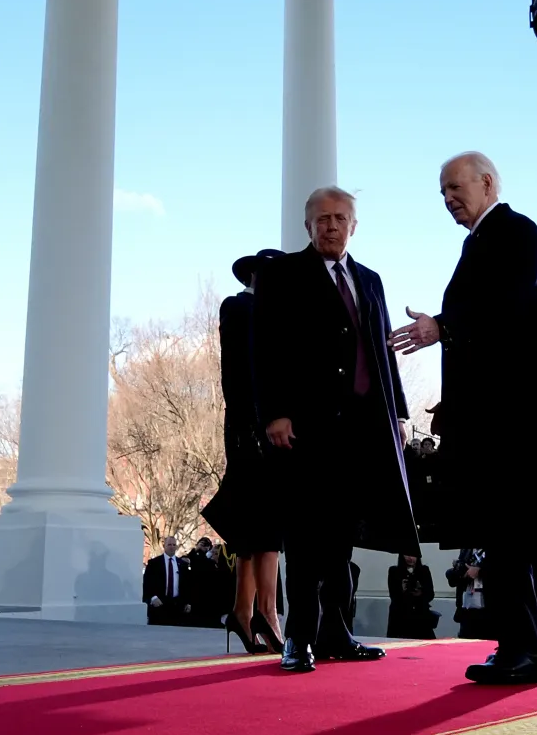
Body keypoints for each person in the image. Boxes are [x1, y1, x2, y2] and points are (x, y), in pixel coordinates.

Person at [390, 152, 537, 685]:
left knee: (510, 534)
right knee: (508, 535)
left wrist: (440, 326)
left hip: (509, 420)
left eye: (454, 187)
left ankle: (525, 648)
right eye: (441, 192)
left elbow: (505, 309)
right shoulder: (482, 241)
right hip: (493, 414)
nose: (448, 199)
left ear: (488, 182)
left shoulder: (514, 231)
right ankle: (530, 645)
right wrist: (455, 401)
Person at [253, 186, 420, 673]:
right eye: (321, 219)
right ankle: (298, 638)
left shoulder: (370, 280)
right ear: (307, 227)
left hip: (363, 428)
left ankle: (336, 632)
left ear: (354, 225)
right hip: (305, 428)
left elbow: (383, 352)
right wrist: (274, 414)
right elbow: (264, 350)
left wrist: (400, 414)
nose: (331, 226)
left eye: (340, 218)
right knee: (305, 535)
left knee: (343, 536)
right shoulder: (282, 274)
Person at [203, 247, 287, 654]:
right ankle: (267, 613)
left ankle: (243, 611)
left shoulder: (278, 314)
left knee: (255, 527)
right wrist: (247, 426)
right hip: (248, 428)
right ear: (254, 276)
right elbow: (236, 373)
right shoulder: (239, 307)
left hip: (272, 428)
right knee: (262, 522)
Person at [141, 536, 193, 627]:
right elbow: (147, 583)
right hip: (159, 605)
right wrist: (152, 598)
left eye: (174, 544)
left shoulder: (182, 565)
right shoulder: (154, 563)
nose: (172, 547)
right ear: (164, 546)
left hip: (178, 607)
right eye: (169, 544)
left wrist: (188, 602)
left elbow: (187, 585)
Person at [386, 554, 438, 639]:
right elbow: (394, 596)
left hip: (420, 619)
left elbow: (430, 595)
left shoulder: (424, 570)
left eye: (413, 555)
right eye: (407, 555)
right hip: (400, 619)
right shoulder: (394, 571)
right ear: (402, 556)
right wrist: (402, 590)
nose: (410, 558)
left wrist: (420, 593)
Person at [446, 549, 489, 639]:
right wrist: (459, 571)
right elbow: (455, 578)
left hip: (488, 612)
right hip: (467, 609)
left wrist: (479, 571)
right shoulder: (467, 549)